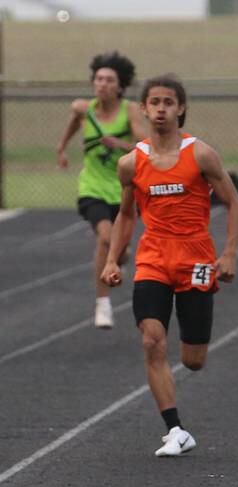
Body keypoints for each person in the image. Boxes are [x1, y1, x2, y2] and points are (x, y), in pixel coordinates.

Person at [101, 75, 238, 456]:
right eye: (154, 102)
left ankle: (187, 377)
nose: (161, 108)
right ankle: (175, 428)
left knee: (193, 360)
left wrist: (228, 253)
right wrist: (114, 258)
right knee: (151, 339)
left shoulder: (201, 155)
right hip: (153, 258)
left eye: (168, 102)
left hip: (195, 256)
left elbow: (234, 203)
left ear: (180, 108)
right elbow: (126, 216)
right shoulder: (132, 163)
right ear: (144, 109)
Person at [56, 51, 147, 329]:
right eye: (98, 79)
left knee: (119, 249)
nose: (102, 84)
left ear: (120, 86)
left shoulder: (129, 110)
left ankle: (121, 257)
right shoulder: (85, 109)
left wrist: (119, 145)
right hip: (92, 186)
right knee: (106, 238)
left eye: (109, 80)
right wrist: (61, 148)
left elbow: (144, 146)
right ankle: (103, 303)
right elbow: (74, 121)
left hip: (123, 188)